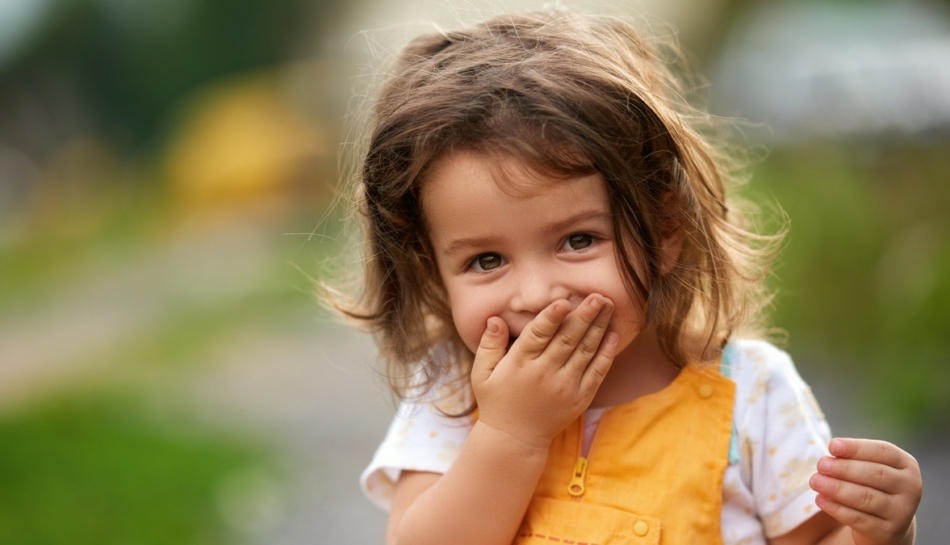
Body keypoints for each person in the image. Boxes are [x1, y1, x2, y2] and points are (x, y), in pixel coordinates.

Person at [333, 9, 923, 545]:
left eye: (579, 240)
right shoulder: (452, 390)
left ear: (665, 232)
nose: (536, 294)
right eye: (486, 260)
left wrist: (878, 534)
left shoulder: (752, 393)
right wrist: (512, 434)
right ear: (429, 268)